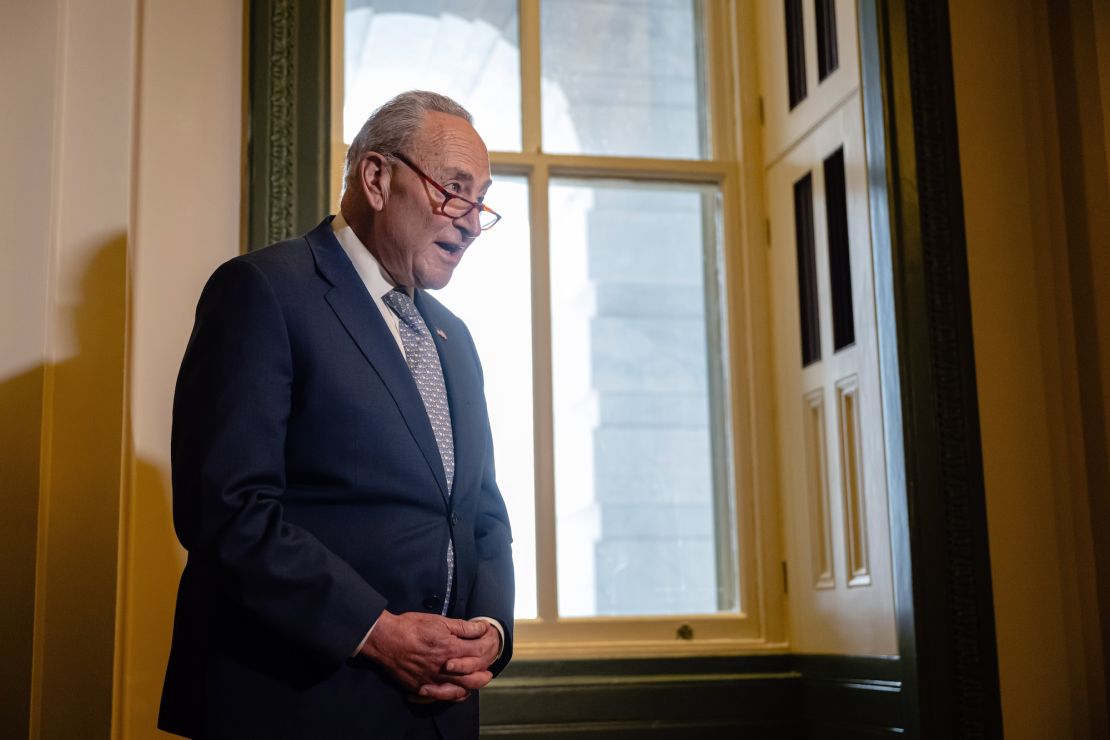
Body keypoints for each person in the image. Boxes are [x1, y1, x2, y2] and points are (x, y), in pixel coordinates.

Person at [158, 90, 515, 739]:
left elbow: (481, 510)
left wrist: (489, 633)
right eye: (454, 190)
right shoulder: (264, 292)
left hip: (439, 711)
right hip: (295, 702)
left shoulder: (453, 336)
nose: (469, 220)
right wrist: (376, 632)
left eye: (481, 198)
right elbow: (228, 510)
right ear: (378, 178)